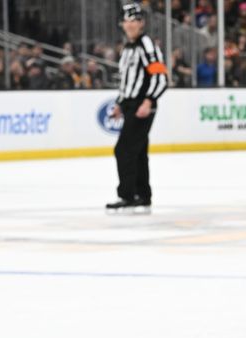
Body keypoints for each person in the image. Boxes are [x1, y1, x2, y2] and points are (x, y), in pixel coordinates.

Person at [106, 3, 168, 214]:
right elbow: (126, 81)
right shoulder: (127, 48)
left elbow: (160, 76)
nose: (130, 24)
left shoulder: (146, 44)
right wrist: (120, 104)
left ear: (142, 23)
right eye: (127, 21)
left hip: (143, 104)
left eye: (135, 20)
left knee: (123, 149)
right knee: (138, 151)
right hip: (133, 104)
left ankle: (127, 195)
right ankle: (143, 194)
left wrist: (149, 100)